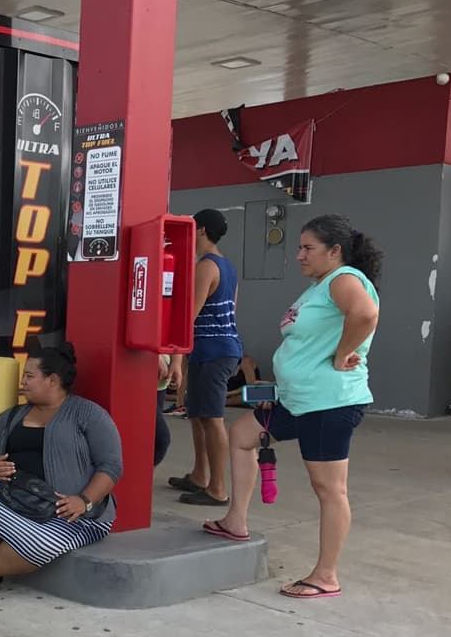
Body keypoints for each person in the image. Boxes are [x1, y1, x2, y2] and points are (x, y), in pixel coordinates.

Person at [204, 214, 381, 600]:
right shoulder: (319, 286)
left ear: (334, 252)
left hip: (328, 403)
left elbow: (365, 314)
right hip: (297, 400)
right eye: (300, 247)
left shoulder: (343, 280)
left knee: (329, 488)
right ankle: (235, 521)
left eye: (308, 248)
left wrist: (344, 353)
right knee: (242, 435)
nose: (299, 255)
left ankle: (326, 575)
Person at [0, 345, 121, 592]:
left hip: (70, 514)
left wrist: (83, 501)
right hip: (17, 500)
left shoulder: (88, 414)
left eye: (30, 376)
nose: (22, 382)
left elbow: (111, 466)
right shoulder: (10, 417)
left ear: (52, 380)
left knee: (39, 543)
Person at [169, 209, 242, 507]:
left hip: (214, 352)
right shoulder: (228, 266)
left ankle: (218, 489)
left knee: (212, 419)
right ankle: (200, 476)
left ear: (199, 231)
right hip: (213, 349)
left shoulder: (206, 267)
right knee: (198, 416)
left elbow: (188, 317)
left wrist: (174, 359)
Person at [154, 352, 176, 466]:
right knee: (161, 440)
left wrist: (177, 362)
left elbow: (176, 334)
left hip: (160, 384)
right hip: (138, 373)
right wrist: (153, 355)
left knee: (152, 442)